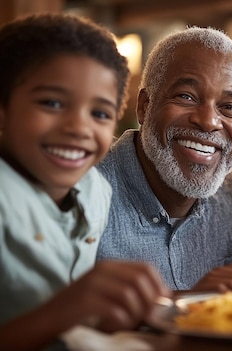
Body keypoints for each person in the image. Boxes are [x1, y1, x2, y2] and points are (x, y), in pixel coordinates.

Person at [0, 13, 170, 350]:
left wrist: (105, 313)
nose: (79, 128)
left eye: (100, 113)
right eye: (51, 103)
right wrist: (63, 312)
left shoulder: (94, 190)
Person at [95, 26, 232, 292]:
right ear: (144, 106)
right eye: (186, 96)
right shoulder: (81, 194)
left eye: (230, 108)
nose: (209, 122)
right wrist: (187, 303)